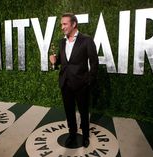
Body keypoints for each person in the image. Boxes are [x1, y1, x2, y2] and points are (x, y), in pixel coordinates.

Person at [49, 13, 99, 148]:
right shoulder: (61, 42)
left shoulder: (86, 40)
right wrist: (55, 61)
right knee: (69, 111)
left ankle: (86, 136)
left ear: (74, 24)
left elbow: (94, 62)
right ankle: (72, 133)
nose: (62, 27)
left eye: (64, 24)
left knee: (83, 111)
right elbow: (62, 61)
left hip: (81, 83)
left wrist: (89, 81)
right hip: (65, 82)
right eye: (61, 24)